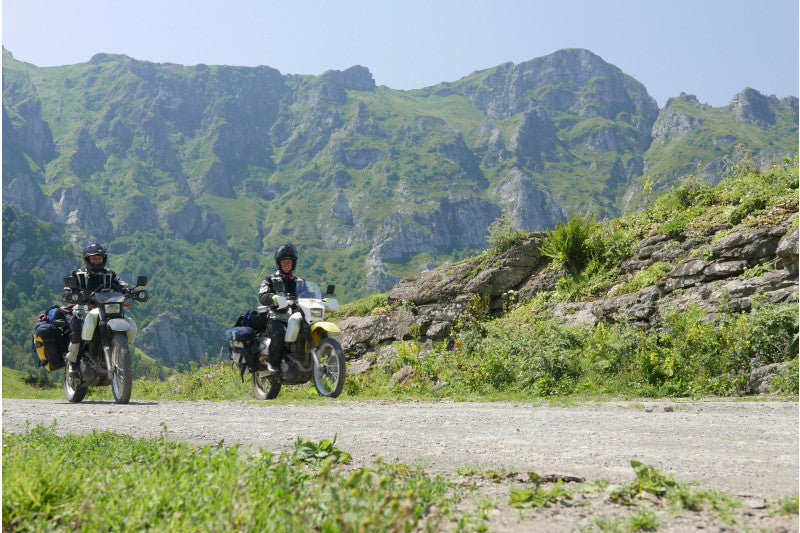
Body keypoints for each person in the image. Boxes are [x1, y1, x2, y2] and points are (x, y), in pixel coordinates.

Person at [61, 242, 132, 377]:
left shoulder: (110, 274)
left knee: (125, 320)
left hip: (106, 310)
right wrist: (74, 295)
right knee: (77, 328)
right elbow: (66, 293)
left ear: (104, 259)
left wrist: (132, 291)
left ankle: (120, 352)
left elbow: (122, 285)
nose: (97, 260)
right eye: (94, 258)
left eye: (99, 258)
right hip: (84, 310)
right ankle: (73, 363)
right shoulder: (77, 274)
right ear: (87, 259)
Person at [257, 244, 306, 372]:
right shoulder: (270, 279)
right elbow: (262, 295)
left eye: (289, 261)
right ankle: (272, 363)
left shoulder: (299, 281)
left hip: (296, 317)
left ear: (293, 263)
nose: (286, 264)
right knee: (278, 332)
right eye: (284, 261)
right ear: (279, 263)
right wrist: (273, 298)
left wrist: (321, 299)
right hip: (276, 317)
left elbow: (308, 294)